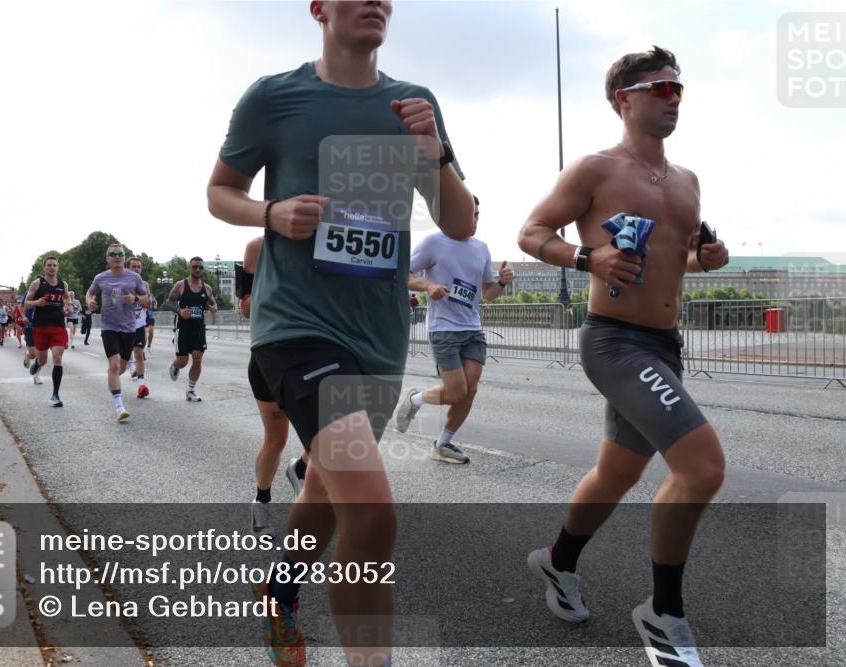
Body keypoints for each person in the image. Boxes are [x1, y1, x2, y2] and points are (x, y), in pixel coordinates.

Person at [207, 2, 475, 665]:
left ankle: (280, 588)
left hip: (378, 334)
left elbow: (462, 222)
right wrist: (271, 211)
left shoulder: (415, 101)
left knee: (327, 489)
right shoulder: (274, 97)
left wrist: (434, 153)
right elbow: (219, 192)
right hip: (297, 326)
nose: (376, 2)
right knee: (374, 512)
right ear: (319, 9)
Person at [517, 46, 728, 667]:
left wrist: (704, 261)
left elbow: (679, 257)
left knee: (618, 473)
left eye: (679, 89)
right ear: (625, 100)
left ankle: (558, 563)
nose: (672, 98)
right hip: (613, 340)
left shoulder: (687, 181)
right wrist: (588, 258)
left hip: (664, 345)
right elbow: (531, 233)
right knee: (703, 467)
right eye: (661, 88)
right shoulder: (596, 169)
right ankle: (664, 614)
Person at [394, 195, 513, 463]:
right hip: (444, 329)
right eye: (472, 214)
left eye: (478, 215)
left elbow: (488, 293)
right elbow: (402, 273)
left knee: (470, 390)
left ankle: (442, 444)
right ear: (454, 214)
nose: (475, 220)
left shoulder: (481, 248)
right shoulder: (433, 243)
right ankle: (414, 400)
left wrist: (503, 284)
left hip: (473, 328)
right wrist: (428, 286)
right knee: (456, 392)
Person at [240, 236, 309, 536]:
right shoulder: (258, 247)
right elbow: (245, 307)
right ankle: (262, 500)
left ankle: (301, 471)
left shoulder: (327, 243)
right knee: (276, 439)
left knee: (327, 439)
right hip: (271, 356)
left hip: (313, 356)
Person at [86, 243, 148, 422]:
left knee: (120, 367)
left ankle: (112, 379)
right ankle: (120, 406)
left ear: (124, 256)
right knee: (114, 365)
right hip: (109, 327)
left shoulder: (134, 277)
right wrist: (90, 301)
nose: (117, 257)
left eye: (121, 254)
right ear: (108, 259)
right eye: (113, 254)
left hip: (129, 327)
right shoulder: (101, 278)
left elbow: (146, 299)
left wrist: (135, 298)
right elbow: (89, 294)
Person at [163, 257, 217, 402]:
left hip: (199, 328)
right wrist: (180, 311)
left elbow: (213, 302)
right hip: (183, 328)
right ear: (190, 268)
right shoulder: (181, 285)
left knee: (198, 358)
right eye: (195, 267)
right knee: (183, 361)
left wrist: (213, 308)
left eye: (200, 267)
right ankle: (175, 366)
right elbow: (167, 303)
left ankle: (190, 390)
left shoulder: (207, 288)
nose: (198, 269)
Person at [24, 257, 71, 407]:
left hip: (58, 326)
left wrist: (68, 306)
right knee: (43, 360)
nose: (52, 268)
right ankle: (38, 363)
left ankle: (55, 395)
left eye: (54, 265)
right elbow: (26, 304)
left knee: (57, 358)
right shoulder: (37, 283)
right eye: (49, 265)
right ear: (44, 268)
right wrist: (37, 303)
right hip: (41, 327)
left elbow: (66, 297)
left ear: (58, 267)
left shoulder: (62, 284)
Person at [125, 257, 152, 399]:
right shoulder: (121, 283)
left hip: (139, 324)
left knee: (138, 352)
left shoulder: (144, 285)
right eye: (133, 267)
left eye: (138, 267)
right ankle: (128, 366)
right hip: (123, 325)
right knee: (122, 360)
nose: (136, 269)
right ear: (128, 268)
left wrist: (136, 299)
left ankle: (142, 385)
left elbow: (147, 302)